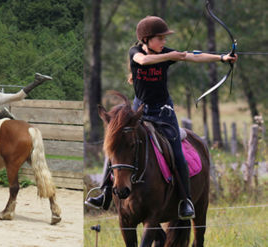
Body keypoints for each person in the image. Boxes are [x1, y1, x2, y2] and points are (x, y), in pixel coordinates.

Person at [86, 16, 237, 219]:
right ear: (146, 39)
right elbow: (143, 61)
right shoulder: (136, 52)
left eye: (165, 39)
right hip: (139, 112)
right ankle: (105, 193)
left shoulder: (165, 53)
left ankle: (185, 201)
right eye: (160, 38)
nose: (164, 42)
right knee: (117, 146)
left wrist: (221, 58)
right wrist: (169, 56)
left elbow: (192, 56)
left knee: (177, 153)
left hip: (164, 112)